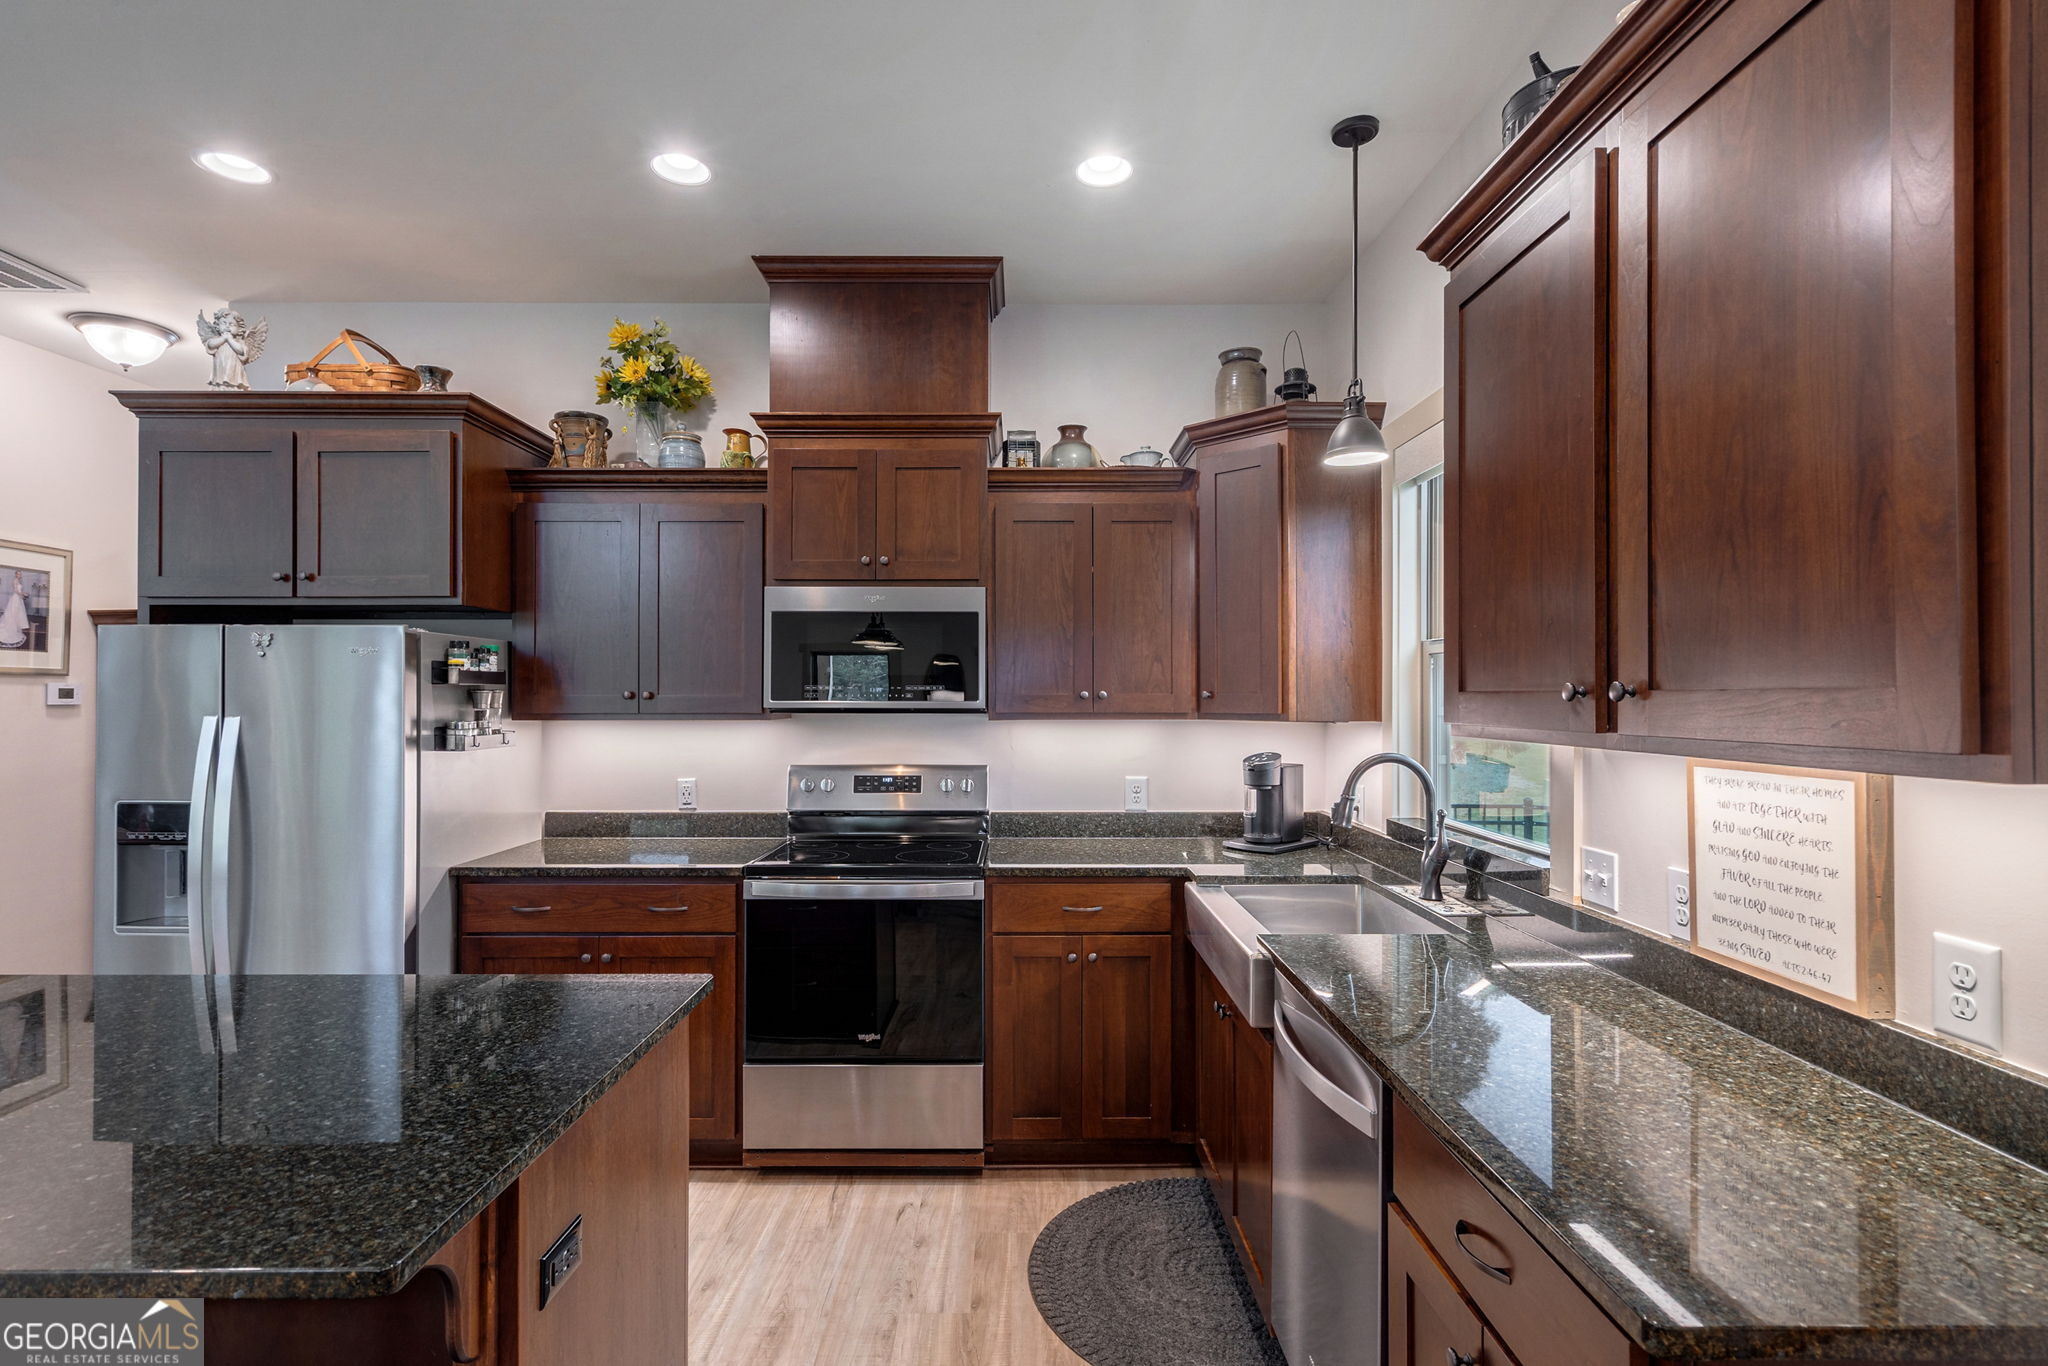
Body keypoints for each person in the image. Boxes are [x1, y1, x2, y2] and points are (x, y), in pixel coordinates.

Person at [0, 571, 29, 650]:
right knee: (13, 613)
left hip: (18, 598)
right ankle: (10, 628)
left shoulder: (19, 581)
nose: (20, 575)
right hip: (16, 598)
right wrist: (22, 595)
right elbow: (16, 591)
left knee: (17, 613)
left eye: (20, 574)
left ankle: (16, 627)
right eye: (18, 574)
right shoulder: (15, 580)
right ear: (16, 574)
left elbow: (19, 590)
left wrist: (24, 593)